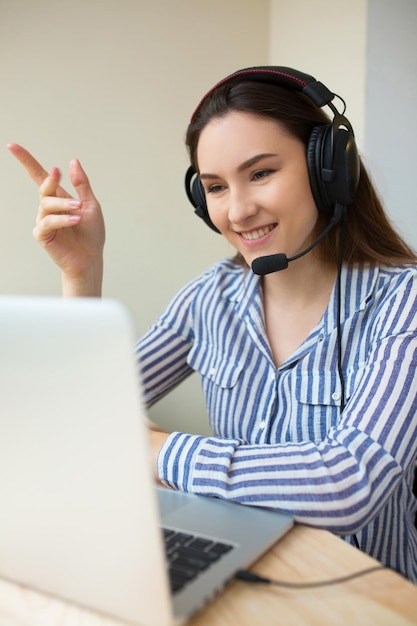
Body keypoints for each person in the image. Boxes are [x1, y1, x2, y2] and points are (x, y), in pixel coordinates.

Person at [8, 66, 417, 583]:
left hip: (368, 597)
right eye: (216, 187)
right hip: (241, 577)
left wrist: (154, 449)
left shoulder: (403, 301)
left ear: (328, 168)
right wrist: (82, 273)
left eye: (262, 173)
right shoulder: (209, 298)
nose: (239, 210)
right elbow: (79, 416)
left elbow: (348, 483)